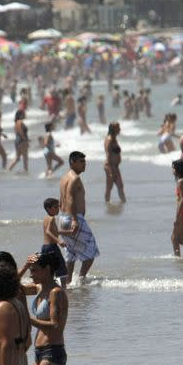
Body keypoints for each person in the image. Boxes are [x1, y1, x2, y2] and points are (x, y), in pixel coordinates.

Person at [23, 253, 69, 365]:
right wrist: (26, 265)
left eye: (34, 270)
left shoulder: (56, 293)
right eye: (30, 271)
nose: (31, 274)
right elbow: (10, 288)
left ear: (47, 270)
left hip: (53, 351)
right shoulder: (38, 288)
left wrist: (29, 320)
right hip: (38, 352)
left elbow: (55, 326)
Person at [58, 152, 99, 283]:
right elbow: (69, 198)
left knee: (71, 253)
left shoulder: (64, 177)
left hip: (63, 217)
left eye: (84, 161)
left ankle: (68, 282)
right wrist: (75, 220)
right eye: (81, 161)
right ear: (72, 163)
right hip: (74, 218)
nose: (84, 164)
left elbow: (61, 200)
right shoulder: (74, 178)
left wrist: (65, 217)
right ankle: (81, 279)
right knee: (91, 251)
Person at [41, 198, 69, 288]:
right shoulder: (52, 218)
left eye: (58, 206)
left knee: (49, 268)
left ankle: (49, 286)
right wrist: (59, 241)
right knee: (61, 266)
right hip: (52, 247)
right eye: (55, 207)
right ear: (48, 209)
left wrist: (69, 232)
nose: (58, 209)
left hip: (45, 247)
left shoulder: (45, 219)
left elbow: (54, 231)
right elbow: (48, 231)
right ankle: (64, 287)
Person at [104, 122, 126, 203]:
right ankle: (107, 204)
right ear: (114, 129)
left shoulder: (114, 139)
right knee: (109, 187)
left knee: (120, 185)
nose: (120, 129)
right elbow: (108, 154)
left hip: (115, 167)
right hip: (110, 166)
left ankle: (124, 202)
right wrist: (110, 170)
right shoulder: (109, 139)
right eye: (118, 127)